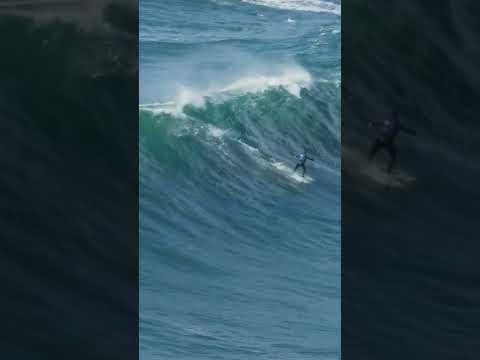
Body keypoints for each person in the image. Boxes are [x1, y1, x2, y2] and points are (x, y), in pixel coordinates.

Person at [368, 109, 416, 173]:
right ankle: (388, 172)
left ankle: (368, 162)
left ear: (391, 116)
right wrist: (413, 132)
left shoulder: (387, 122)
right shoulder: (398, 124)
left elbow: (379, 123)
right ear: (396, 117)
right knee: (393, 157)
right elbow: (406, 130)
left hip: (381, 139)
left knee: (373, 151)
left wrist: (372, 123)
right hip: (388, 141)